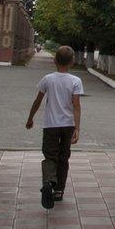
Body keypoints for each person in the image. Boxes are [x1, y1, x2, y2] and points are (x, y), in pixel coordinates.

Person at [26, 45, 82, 209]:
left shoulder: (48, 79)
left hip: (50, 125)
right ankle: (59, 191)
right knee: (64, 158)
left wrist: (30, 118)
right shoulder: (75, 81)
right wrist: (77, 128)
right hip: (68, 125)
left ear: (55, 60)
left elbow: (38, 101)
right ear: (72, 62)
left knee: (50, 156)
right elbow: (76, 105)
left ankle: (48, 182)